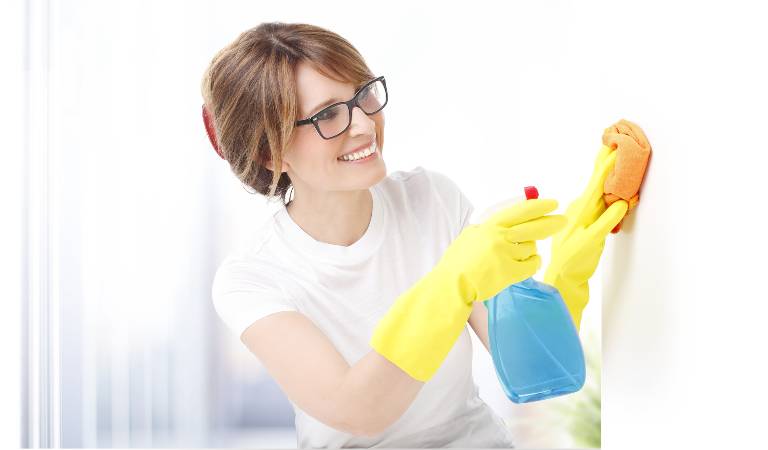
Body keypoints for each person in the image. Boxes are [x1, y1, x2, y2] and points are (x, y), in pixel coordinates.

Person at [202, 22, 571, 448]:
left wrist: (567, 266)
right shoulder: (252, 277)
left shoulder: (430, 199)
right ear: (271, 151)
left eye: (363, 95)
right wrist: (451, 284)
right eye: (328, 115)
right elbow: (358, 410)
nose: (363, 124)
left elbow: (532, 363)